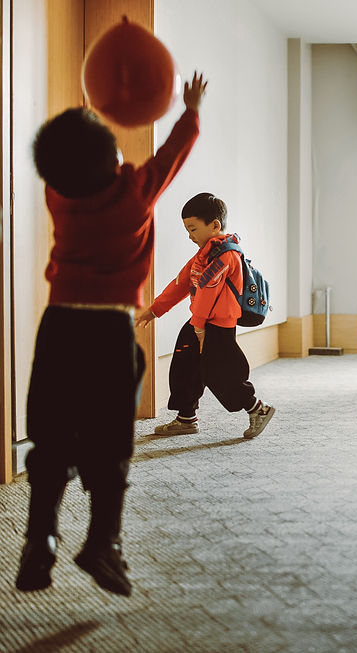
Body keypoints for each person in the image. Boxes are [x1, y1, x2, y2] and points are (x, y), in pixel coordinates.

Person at [16, 73, 207, 596]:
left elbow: (71, 158)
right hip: (109, 329)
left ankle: (40, 538)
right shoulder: (134, 192)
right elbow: (172, 153)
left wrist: (83, 117)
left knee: (50, 436)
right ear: (112, 162)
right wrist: (189, 109)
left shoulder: (59, 196)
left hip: (59, 326)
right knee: (110, 439)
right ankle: (104, 541)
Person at [136, 192, 275, 440]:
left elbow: (207, 294)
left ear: (215, 225)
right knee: (184, 364)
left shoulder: (226, 255)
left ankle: (258, 409)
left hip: (217, 326)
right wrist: (155, 309)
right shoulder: (204, 253)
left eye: (193, 228)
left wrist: (199, 328)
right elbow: (181, 282)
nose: (190, 235)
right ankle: (186, 417)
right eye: (187, 229)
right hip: (200, 322)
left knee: (222, 374)